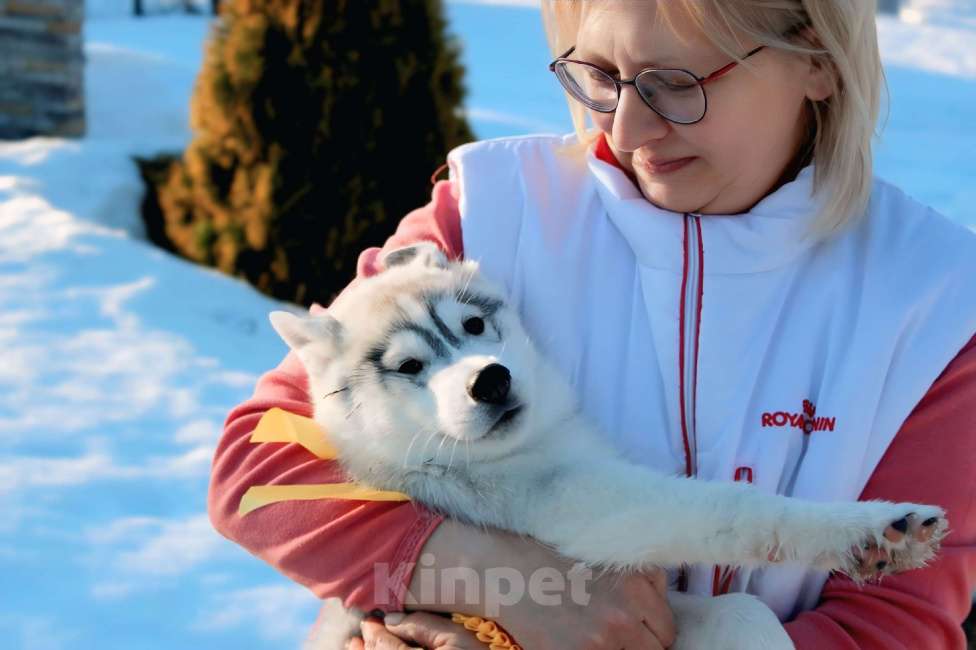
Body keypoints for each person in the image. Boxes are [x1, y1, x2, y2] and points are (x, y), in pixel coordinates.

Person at [208, 1, 976, 648]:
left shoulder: (934, 303)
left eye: (677, 84)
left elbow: (896, 618)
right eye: (601, 76)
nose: (629, 129)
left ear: (816, 58)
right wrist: (501, 582)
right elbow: (258, 474)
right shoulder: (488, 214)